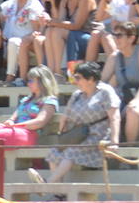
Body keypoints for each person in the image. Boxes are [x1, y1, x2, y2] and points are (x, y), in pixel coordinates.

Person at [35, 60, 120, 189]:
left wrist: (114, 141)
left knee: (71, 151)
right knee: (54, 153)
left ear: (91, 79)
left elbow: (114, 117)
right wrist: (63, 137)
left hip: (97, 137)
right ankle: (59, 193)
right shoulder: (77, 95)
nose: (75, 81)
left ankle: (47, 183)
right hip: (76, 135)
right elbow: (65, 117)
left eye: (78, 78)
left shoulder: (105, 92)